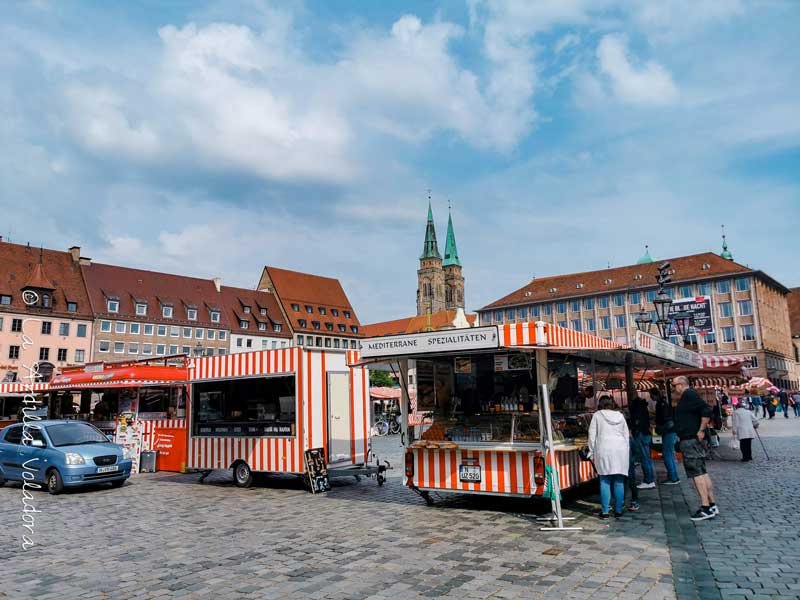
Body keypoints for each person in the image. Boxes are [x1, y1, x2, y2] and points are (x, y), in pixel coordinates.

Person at [672, 376, 718, 521]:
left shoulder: (689, 395)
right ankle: (712, 504)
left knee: (696, 474)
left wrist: (701, 430)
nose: (673, 389)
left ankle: (705, 507)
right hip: (691, 439)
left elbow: (706, 411)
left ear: (680, 385)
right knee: (702, 472)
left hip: (690, 439)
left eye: (673, 386)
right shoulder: (688, 396)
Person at [588, 396, 630, 519]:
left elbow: (592, 435)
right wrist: (626, 450)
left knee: (605, 480)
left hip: (604, 448)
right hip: (620, 449)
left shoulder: (597, 415)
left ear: (600, 405)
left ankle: (605, 511)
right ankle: (618, 510)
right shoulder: (620, 416)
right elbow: (626, 434)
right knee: (619, 481)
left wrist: (591, 450)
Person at [653, 387, 680, 485]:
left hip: (668, 432)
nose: (651, 397)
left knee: (667, 455)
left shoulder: (661, 404)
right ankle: (673, 476)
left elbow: (665, 419)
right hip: (669, 431)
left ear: (655, 395)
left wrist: (659, 427)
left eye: (652, 395)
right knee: (669, 455)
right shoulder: (663, 403)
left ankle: (673, 478)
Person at [629, 394, 656, 489]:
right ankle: (650, 479)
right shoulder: (644, 406)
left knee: (644, 458)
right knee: (647, 458)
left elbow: (636, 421)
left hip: (641, 433)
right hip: (645, 433)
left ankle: (649, 480)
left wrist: (633, 430)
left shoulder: (637, 409)